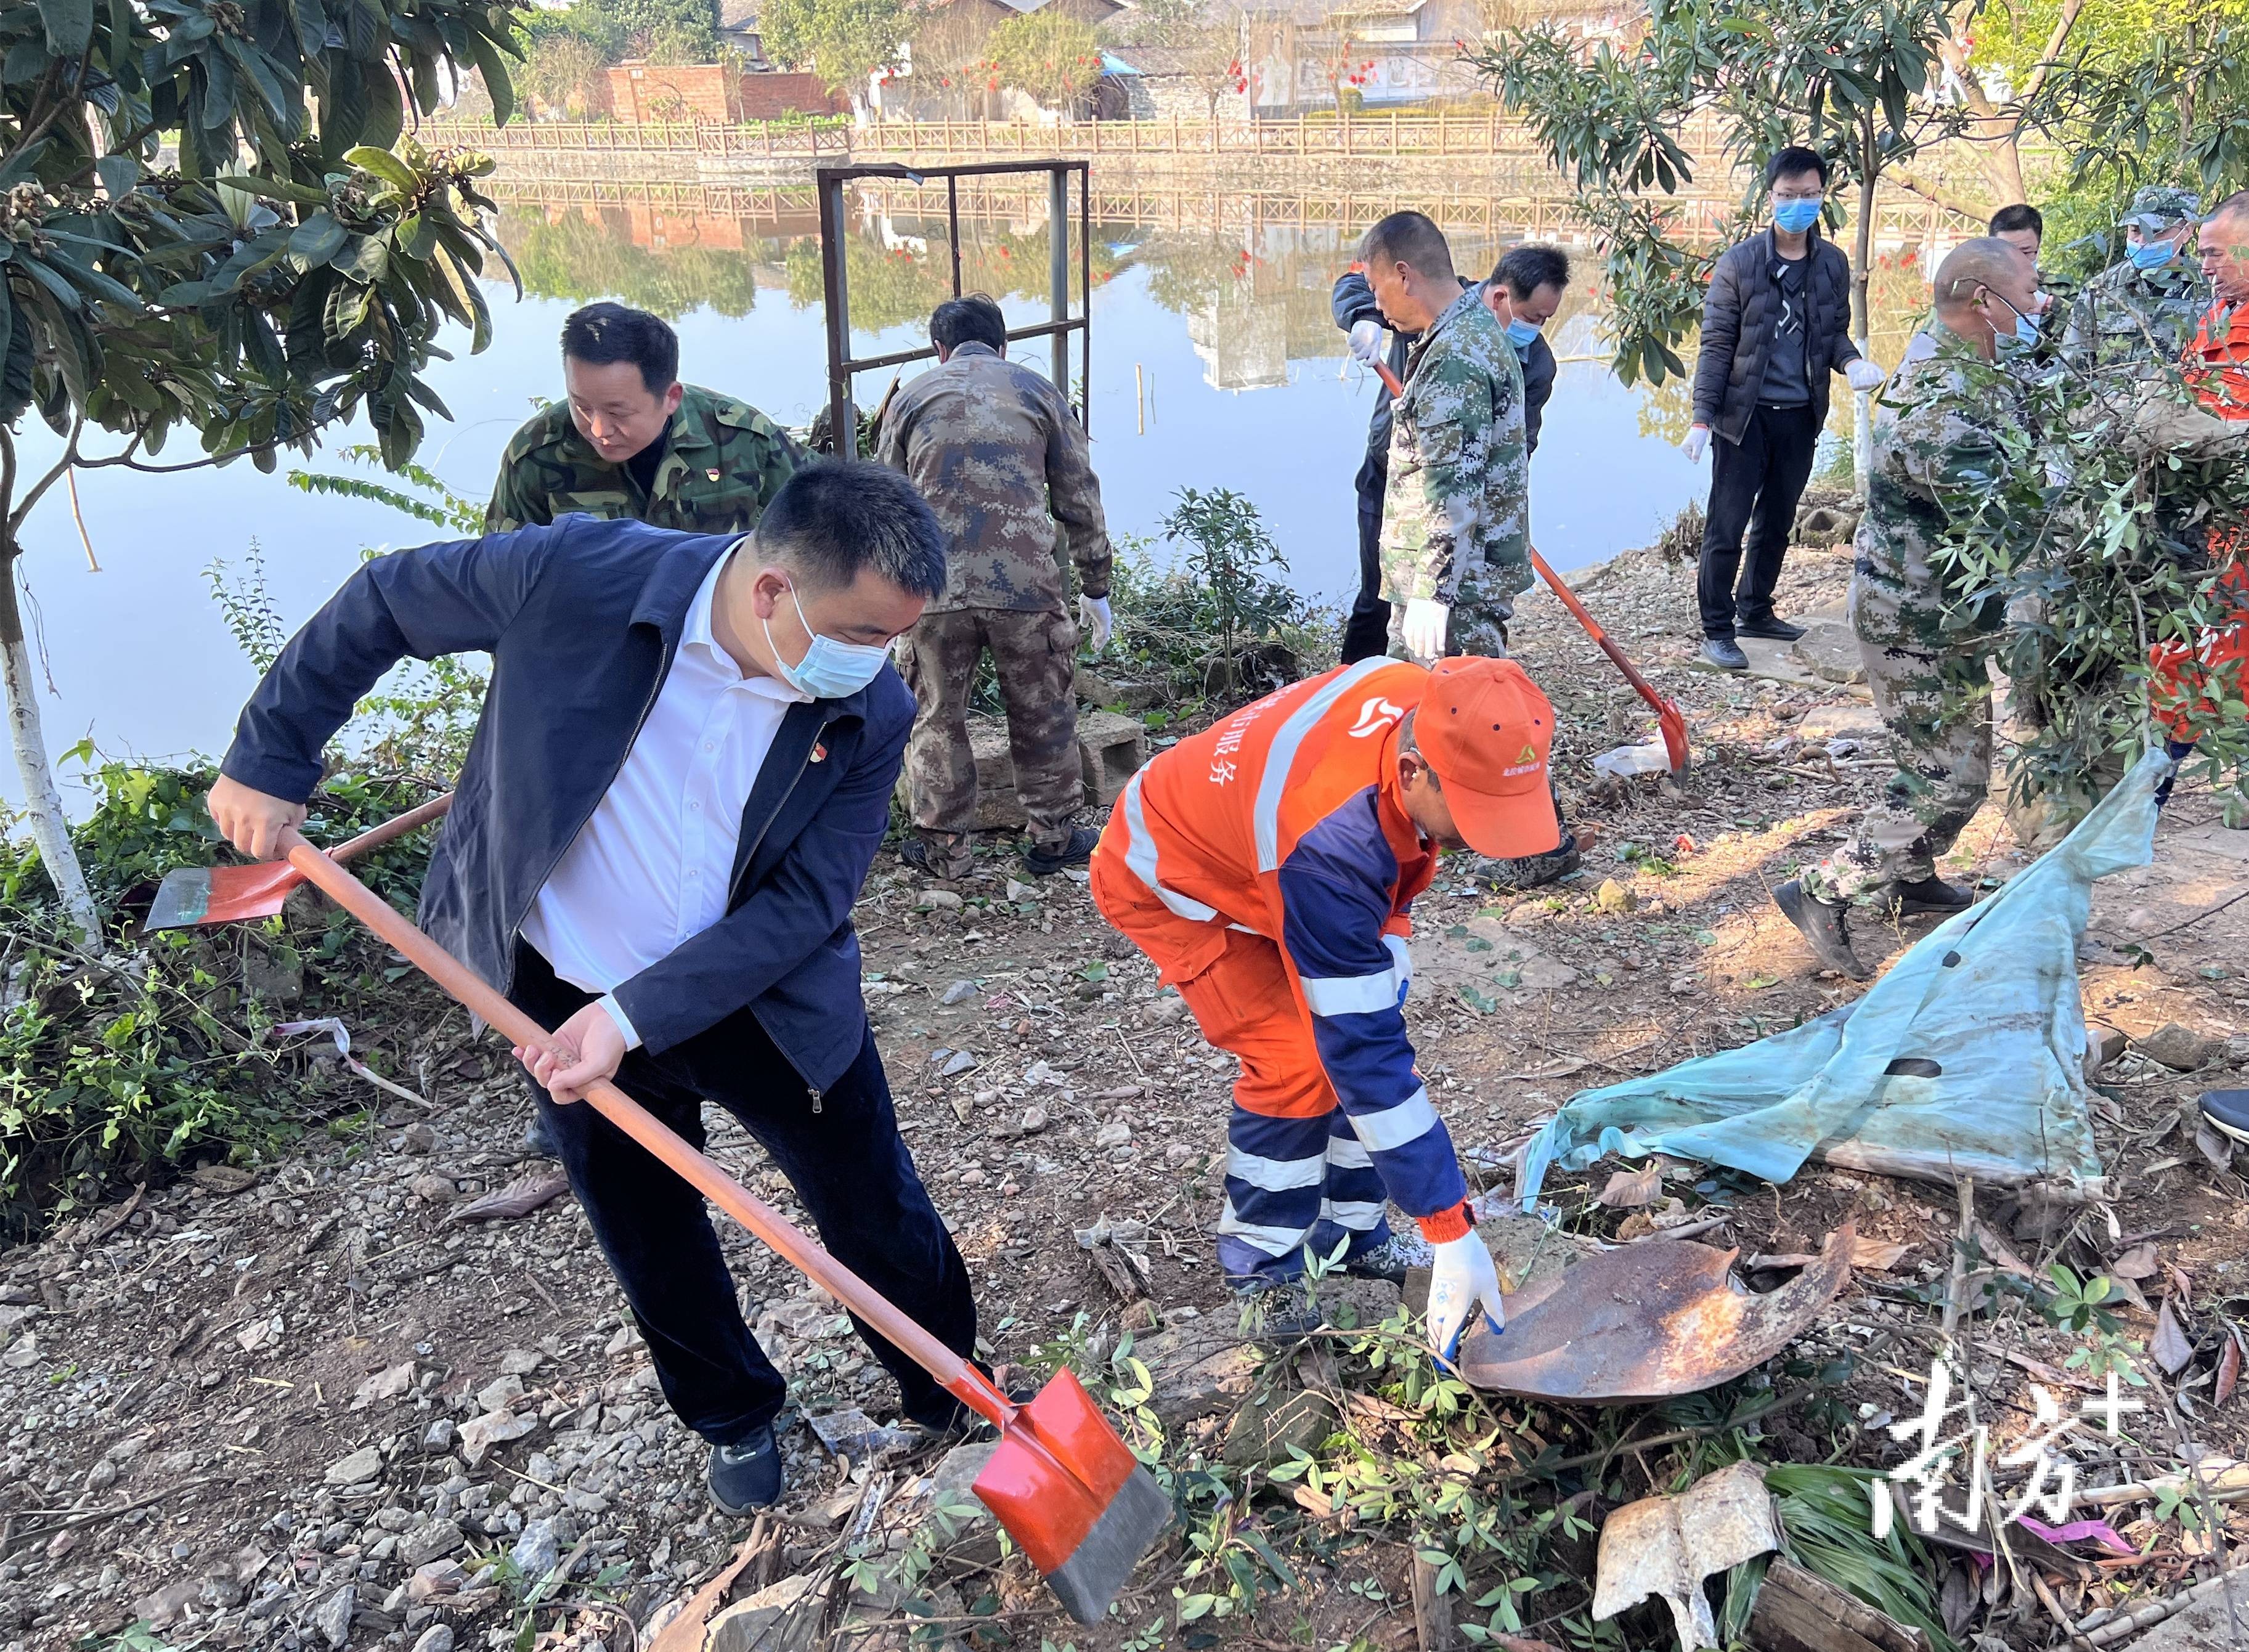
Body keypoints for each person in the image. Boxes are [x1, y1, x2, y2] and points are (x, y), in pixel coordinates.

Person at [207, 465, 988, 1518]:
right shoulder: (573, 575)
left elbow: (805, 901)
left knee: (872, 1202)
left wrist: (635, 1018)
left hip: (763, 1001)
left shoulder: (871, 709)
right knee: (643, 1221)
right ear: (772, 592)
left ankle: (946, 1385)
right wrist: (270, 752)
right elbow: (385, 598)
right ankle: (733, 1417)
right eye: (856, 635)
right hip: (558, 987)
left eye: (894, 639)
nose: (878, 666)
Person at [1090, 653, 1556, 1361]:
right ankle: (1263, 1265)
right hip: (1173, 875)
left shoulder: (1436, 700)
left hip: (1260, 845)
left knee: (1368, 1008)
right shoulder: (1330, 851)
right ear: (1411, 772)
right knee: (1299, 1056)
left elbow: (1393, 862)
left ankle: (1349, 1235)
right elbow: (1361, 1051)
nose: (1476, 843)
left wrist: (1385, 947)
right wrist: (1447, 1224)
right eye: (1469, 816)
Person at [1774, 241, 2041, 978]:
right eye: (2032, 287)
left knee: (1960, 768)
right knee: (1943, 778)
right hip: (1912, 618)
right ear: (1985, 301)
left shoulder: (1976, 370)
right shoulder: (1937, 402)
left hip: (1947, 614)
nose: (2041, 300)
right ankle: (1819, 889)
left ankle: (1908, 876)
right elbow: (2007, 518)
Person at [876, 295, 1113, 881]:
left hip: (933, 592)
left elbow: (883, 503)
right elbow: (1079, 496)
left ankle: (945, 851)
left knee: (936, 716)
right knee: (1043, 711)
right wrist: (1096, 585)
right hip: (1026, 586)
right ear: (1004, 344)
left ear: (939, 349)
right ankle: (1052, 841)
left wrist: (881, 604)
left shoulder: (911, 399)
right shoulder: (1038, 393)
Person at [1682, 147, 1888, 671]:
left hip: (1800, 414)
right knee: (1726, 526)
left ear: (1822, 196)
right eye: (1788, 195)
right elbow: (1717, 346)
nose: (1798, 204)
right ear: (1770, 195)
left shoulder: (1832, 264)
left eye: (1809, 195)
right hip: (1743, 419)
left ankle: (1756, 610)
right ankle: (1717, 628)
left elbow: (1832, 333)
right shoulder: (1740, 265)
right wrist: (1702, 419)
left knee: (1777, 520)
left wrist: (1852, 363)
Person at [1332, 243, 1568, 665]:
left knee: (1452, 622)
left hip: (1460, 503)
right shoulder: (1429, 302)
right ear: (1500, 297)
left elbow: (1517, 444)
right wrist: (1366, 320)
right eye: (1532, 317)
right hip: (1392, 481)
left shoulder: (1535, 364)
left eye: (1545, 320)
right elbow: (1358, 286)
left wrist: (1489, 495)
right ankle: (1354, 695)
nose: (1535, 328)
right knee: (1378, 599)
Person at [1362, 211, 1529, 664]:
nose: (1377, 307)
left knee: (1447, 723)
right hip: (1460, 581)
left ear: (1404, 277)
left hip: (1455, 592)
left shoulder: (1455, 357)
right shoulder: (1471, 328)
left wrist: (1432, 593)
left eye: (1377, 291)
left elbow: (1453, 488)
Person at [486, 302, 802, 535]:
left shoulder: (747, 440)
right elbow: (502, 574)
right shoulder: (536, 455)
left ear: (671, 398)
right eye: (581, 405)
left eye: (616, 412)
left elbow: (826, 526)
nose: (597, 429)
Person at [2061, 186, 2210, 383]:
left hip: (2182, 410)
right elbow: (2072, 370)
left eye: (2156, 232)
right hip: (2110, 408)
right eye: (2135, 231)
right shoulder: (2100, 290)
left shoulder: (2209, 289)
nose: (2142, 241)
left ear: (2187, 232)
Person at [1988, 203, 2043, 274]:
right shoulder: (1976, 283)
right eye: (2006, 253)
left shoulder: (2059, 284)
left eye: (2025, 253)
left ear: (2038, 247)